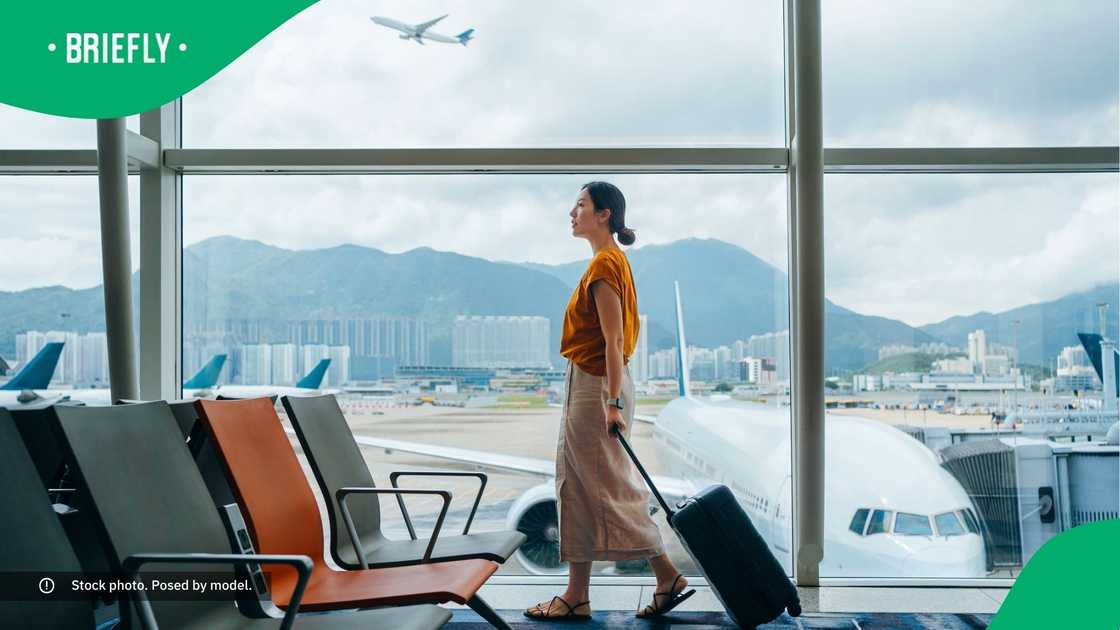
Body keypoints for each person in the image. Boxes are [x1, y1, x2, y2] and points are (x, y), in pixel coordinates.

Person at [524, 181, 694, 621]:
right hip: (594, 383)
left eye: (580, 205)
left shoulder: (604, 266)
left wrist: (612, 402)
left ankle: (664, 575)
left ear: (604, 214)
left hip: (598, 385)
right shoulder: (611, 262)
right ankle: (578, 594)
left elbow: (614, 341)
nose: (572, 212)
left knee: (606, 486)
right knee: (580, 485)